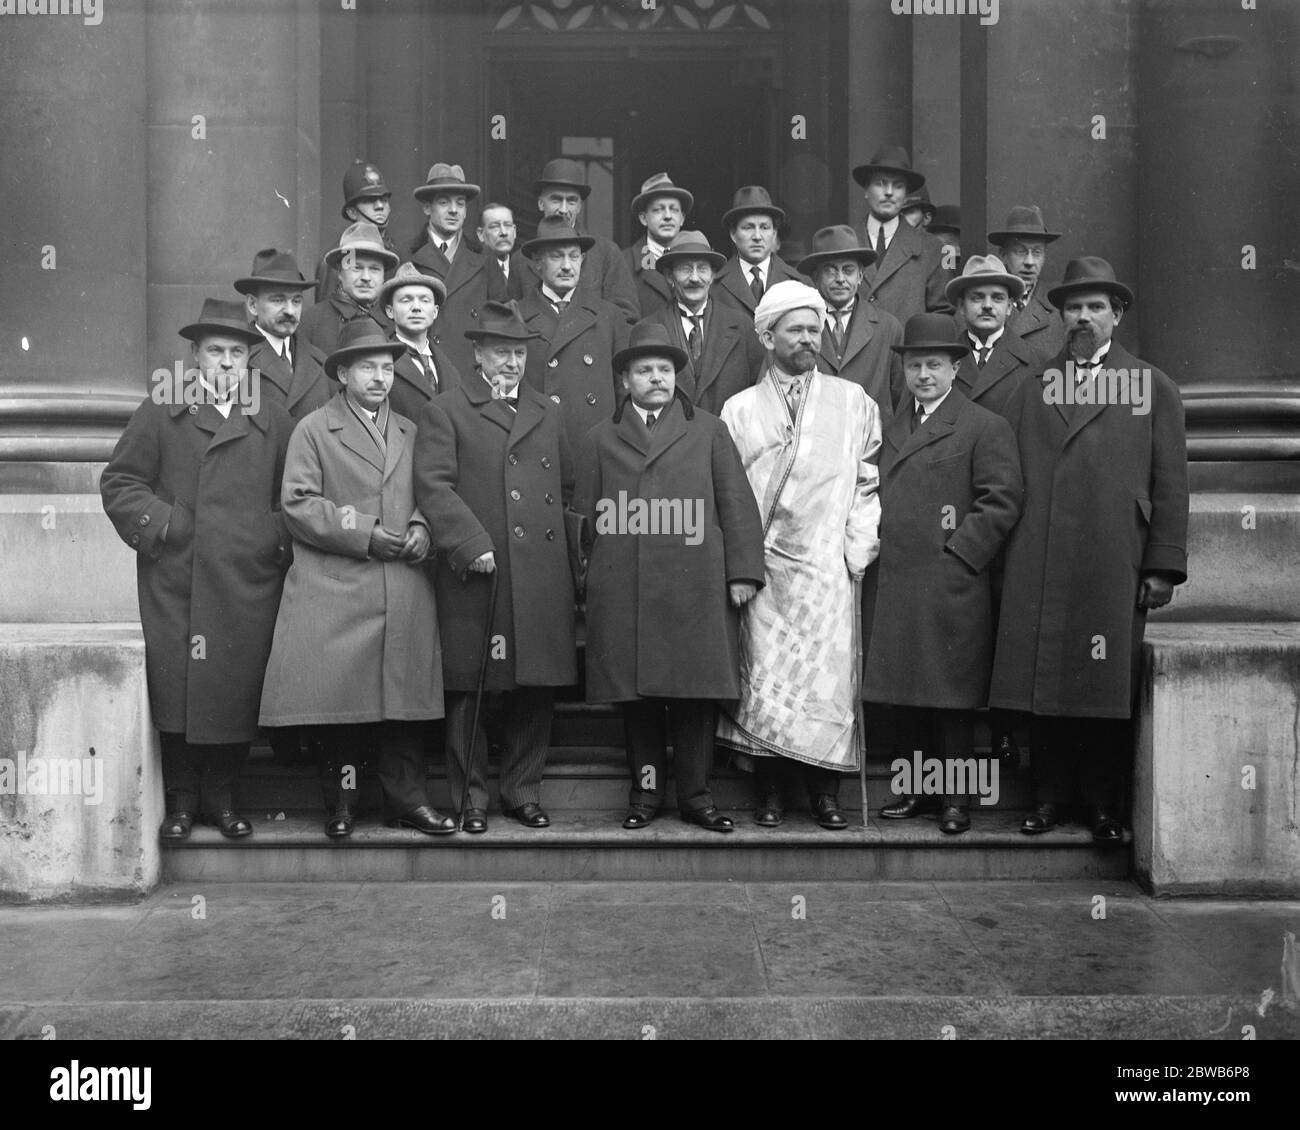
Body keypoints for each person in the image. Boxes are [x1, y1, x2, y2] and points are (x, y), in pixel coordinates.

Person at [989, 258, 1189, 841]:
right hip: (1042, 555)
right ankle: (1048, 800)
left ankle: (1102, 807)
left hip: (1113, 559)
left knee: (1103, 684)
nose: (1082, 317)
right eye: (1073, 307)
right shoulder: (1031, 389)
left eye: (1095, 307)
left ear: (1116, 316)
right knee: (1046, 679)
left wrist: (1163, 566)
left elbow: (1171, 483)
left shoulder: (1152, 387)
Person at [101, 298, 294, 841]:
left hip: (245, 579)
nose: (227, 363)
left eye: (237, 352)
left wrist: (268, 540)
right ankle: (182, 803)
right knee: (179, 688)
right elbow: (119, 482)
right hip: (178, 576)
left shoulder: (273, 418)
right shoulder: (162, 408)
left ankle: (223, 799)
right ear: (194, 356)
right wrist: (166, 526)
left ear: (249, 359)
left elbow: (294, 496)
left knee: (233, 687)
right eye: (215, 352)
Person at [259, 318, 453, 838]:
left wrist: (420, 527)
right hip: (338, 580)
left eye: (387, 368)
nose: (379, 378)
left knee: (402, 702)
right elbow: (297, 504)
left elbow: (432, 492)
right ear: (342, 373)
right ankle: (340, 804)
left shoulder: (412, 430)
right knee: (340, 700)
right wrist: (364, 532)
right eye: (367, 367)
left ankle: (406, 801)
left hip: (403, 582)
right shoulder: (314, 429)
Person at [575, 323, 765, 832]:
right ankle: (645, 793)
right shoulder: (600, 438)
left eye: (664, 369)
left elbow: (736, 505)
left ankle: (697, 798)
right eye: (644, 371)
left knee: (694, 695)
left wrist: (742, 572)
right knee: (636, 698)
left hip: (695, 583)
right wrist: (590, 578)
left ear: (676, 376)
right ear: (625, 380)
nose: (656, 378)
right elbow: (586, 519)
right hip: (626, 587)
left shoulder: (708, 429)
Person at [718, 281, 882, 830]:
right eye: (797, 329)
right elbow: (730, 493)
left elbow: (866, 478)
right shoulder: (738, 410)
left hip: (828, 566)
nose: (809, 338)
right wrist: (741, 561)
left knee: (826, 680)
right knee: (768, 678)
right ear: (768, 335)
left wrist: (859, 545)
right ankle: (770, 791)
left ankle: (825, 793)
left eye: (815, 328)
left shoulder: (852, 399)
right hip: (765, 567)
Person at [413, 301, 578, 833]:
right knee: (473, 688)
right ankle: (471, 800)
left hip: (540, 572)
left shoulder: (547, 411)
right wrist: (468, 541)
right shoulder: (448, 409)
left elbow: (568, 485)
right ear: (478, 353)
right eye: (501, 352)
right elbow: (433, 486)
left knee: (536, 687)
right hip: (480, 569)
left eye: (519, 353)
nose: (511, 362)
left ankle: (522, 793)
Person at [866, 315, 1023, 834]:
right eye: (915, 365)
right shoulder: (892, 427)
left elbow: (1001, 500)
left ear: (956, 368)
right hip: (899, 580)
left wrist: (960, 554)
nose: (924, 375)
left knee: (950, 698)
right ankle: (916, 792)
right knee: (908, 693)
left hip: (951, 580)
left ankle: (955, 798)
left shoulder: (982, 425)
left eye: (934, 364)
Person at [516, 216, 630, 455]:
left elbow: (625, 392)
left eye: (574, 256)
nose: (567, 266)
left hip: (595, 447)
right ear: (538, 263)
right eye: (557, 256)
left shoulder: (608, 316)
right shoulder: (516, 315)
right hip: (537, 447)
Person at [631, 230, 765, 415]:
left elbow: (758, 392)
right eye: (685, 269)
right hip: (671, 440)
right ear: (670, 277)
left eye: (702, 268)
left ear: (713, 275)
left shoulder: (742, 327)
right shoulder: (649, 328)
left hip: (727, 439)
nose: (694, 278)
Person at [796, 224, 903, 430]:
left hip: (872, 446)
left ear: (861, 276)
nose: (840, 279)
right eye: (830, 271)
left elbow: (902, 400)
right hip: (815, 446)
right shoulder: (796, 327)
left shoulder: (888, 328)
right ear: (815, 277)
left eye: (848, 270)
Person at [410, 163, 505, 378]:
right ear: (427, 208)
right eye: (444, 202)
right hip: (426, 372)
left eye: (460, 204)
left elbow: (501, 322)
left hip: (471, 374)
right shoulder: (408, 256)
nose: (454, 210)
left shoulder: (485, 258)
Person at [529, 156, 640, 324]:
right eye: (556, 199)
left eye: (571, 201)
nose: (564, 209)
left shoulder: (606, 253)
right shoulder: (520, 260)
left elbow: (627, 318)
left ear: (580, 206)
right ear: (540, 204)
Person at [852, 146, 953, 322]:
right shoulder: (846, 243)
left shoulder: (933, 249)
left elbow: (944, 314)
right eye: (881, 183)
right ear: (866, 191)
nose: (889, 192)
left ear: (906, 196)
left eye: (898, 186)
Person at [236, 248, 332, 422]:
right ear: (252, 305)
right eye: (278, 300)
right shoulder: (233, 361)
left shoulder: (320, 363)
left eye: (296, 301)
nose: (290, 311)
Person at [947, 254, 1037, 418]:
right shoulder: (943, 360)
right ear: (961, 306)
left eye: (997, 298)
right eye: (977, 297)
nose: (987, 306)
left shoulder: (1035, 362)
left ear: (1009, 307)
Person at [299, 221, 399, 355]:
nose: (366, 277)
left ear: (383, 276)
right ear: (340, 273)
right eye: (356, 268)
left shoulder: (395, 321)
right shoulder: (311, 322)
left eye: (374, 269)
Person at [380, 261, 461, 422]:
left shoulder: (450, 369)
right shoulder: (382, 362)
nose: (416, 307)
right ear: (390, 311)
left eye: (424, 300)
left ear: (435, 311)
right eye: (406, 300)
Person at [987, 205, 1067, 365]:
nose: (1030, 262)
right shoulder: (985, 304)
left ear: (1044, 257)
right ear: (1003, 255)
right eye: (1020, 251)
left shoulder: (1060, 307)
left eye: (1037, 252)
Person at [315, 159, 399, 303]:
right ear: (352, 212)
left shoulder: (396, 251)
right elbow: (327, 314)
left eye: (384, 199)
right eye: (369, 200)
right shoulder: (341, 255)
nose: (379, 206)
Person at [711, 186, 801, 319]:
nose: (757, 236)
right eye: (748, 227)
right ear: (733, 234)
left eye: (764, 227)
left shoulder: (799, 284)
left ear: (774, 233)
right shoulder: (714, 287)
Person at [622, 172, 693, 317]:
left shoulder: (697, 260)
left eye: (674, 209)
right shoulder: (625, 263)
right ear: (643, 218)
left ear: (682, 218)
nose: (667, 216)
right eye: (658, 210)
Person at [479, 202, 525, 301]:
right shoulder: (475, 272)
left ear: (515, 231)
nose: (503, 233)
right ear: (480, 234)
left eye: (507, 225)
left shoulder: (525, 269)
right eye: (495, 227)